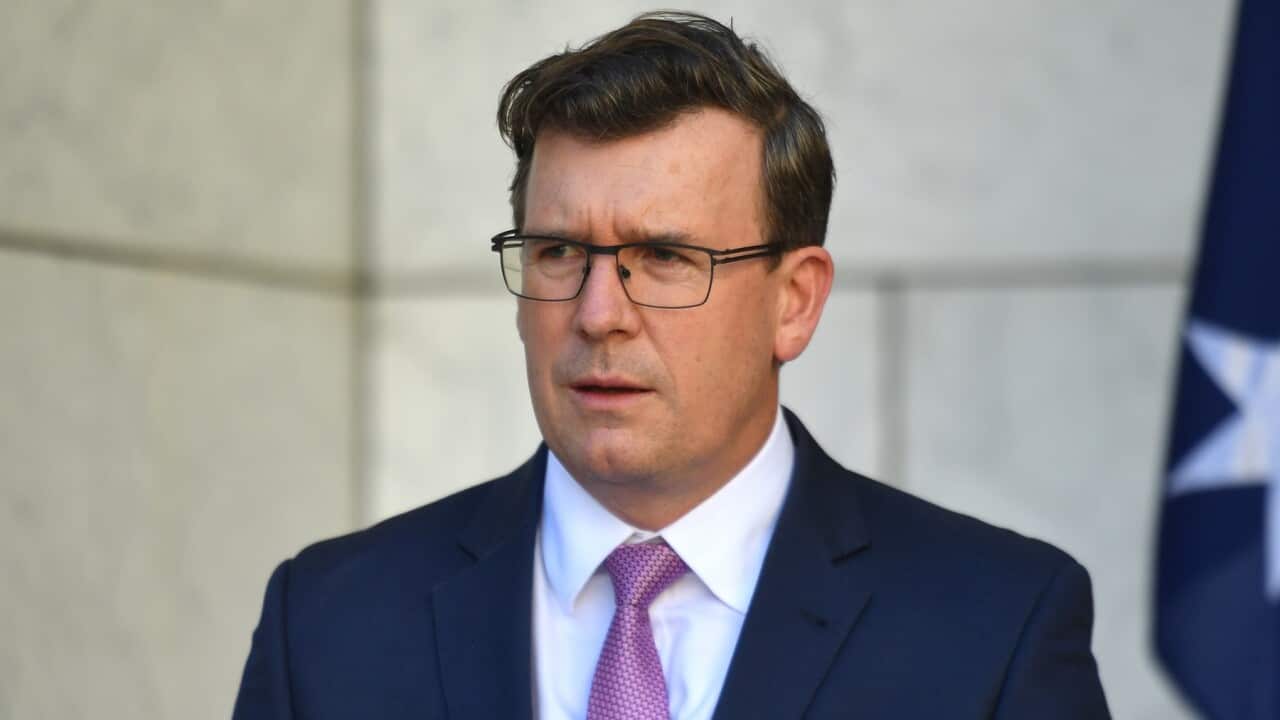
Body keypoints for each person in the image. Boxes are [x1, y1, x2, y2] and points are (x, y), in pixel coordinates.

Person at [232, 11, 1110, 719]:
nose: (598, 314)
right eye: (557, 252)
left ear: (794, 301)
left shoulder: (994, 630)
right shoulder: (327, 624)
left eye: (664, 258)